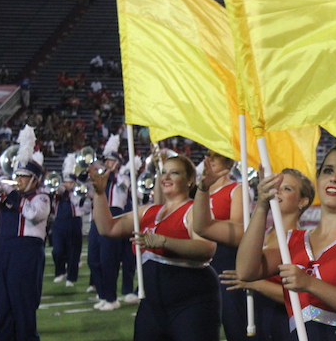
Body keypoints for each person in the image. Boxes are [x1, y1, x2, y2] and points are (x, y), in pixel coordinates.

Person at [237, 143, 336, 340]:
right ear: (318, 180)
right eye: (328, 171)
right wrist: (262, 206)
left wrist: (310, 283)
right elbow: (246, 271)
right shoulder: (291, 241)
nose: (334, 178)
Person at [89, 154, 221, 341]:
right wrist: (100, 194)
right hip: (152, 305)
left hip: (191, 301)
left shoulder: (193, 210)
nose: (165, 177)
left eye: (174, 173)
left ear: (190, 179)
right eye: (163, 172)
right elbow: (107, 228)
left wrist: (163, 242)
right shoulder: (148, 211)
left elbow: (206, 249)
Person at [221, 168, 315, 340]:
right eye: (275, 185)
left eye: (286, 188)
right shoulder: (257, 235)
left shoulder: (302, 241)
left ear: (302, 201)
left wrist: (254, 283)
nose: (277, 190)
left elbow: (303, 295)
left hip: (280, 325)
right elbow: (203, 228)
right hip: (251, 317)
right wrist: (204, 187)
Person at [189, 150, 249, 340]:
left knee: (233, 319)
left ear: (228, 162)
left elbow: (237, 227)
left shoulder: (237, 189)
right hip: (199, 259)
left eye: (216, 157)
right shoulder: (200, 191)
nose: (211, 161)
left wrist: (208, 226)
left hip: (225, 257)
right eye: (209, 157)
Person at [0, 146, 50, 341]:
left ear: (34, 179)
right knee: (3, 305)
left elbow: (33, 214)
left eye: (23, 176)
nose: (17, 180)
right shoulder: (9, 198)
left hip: (26, 253)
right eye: (16, 175)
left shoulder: (41, 197)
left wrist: (11, 194)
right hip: (5, 252)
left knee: (23, 306)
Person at [88, 136, 137, 311]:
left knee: (108, 259)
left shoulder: (122, 176)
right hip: (97, 217)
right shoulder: (101, 179)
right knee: (93, 259)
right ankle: (103, 294)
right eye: (106, 160)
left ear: (117, 163)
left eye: (111, 161)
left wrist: (113, 174)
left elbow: (127, 187)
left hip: (114, 215)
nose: (107, 164)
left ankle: (111, 297)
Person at [51, 158, 92, 288]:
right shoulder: (57, 194)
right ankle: (60, 272)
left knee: (74, 252)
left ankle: (71, 277)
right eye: (65, 182)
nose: (67, 185)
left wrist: (74, 198)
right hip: (59, 223)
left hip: (74, 222)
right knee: (57, 250)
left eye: (70, 182)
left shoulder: (79, 192)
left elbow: (86, 207)